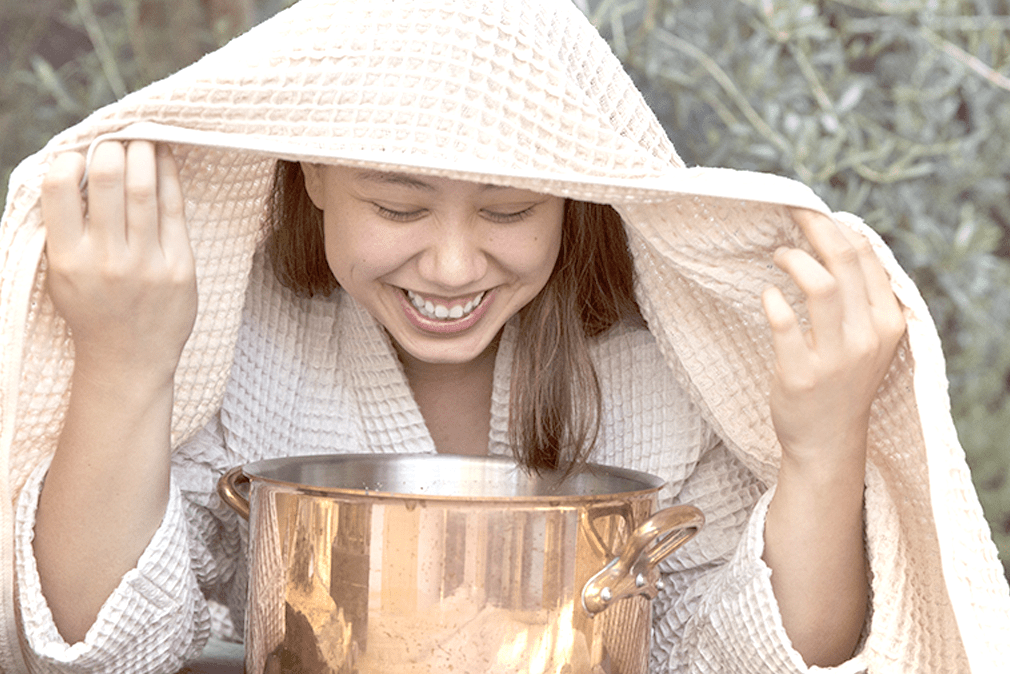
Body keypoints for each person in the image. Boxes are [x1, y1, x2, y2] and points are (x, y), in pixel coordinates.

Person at [1, 1, 1007, 673]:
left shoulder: (660, 377)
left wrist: (821, 442)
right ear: (305, 173)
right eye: (396, 207)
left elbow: (762, 657)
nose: (449, 265)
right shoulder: (232, 345)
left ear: (576, 197)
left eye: (508, 209)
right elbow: (101, 645)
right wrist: (125, 361)